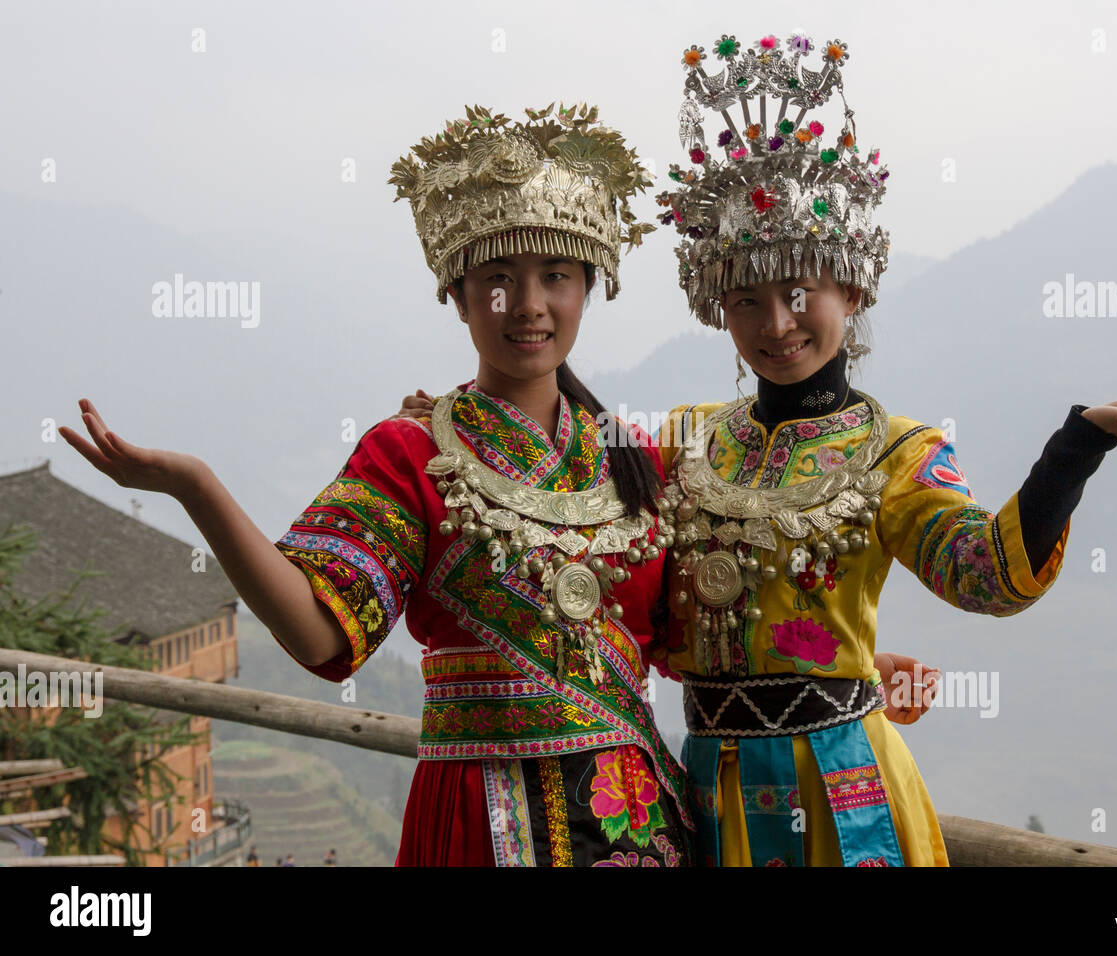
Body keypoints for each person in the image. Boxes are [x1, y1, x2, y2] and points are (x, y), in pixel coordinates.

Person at [637, 31, 1117, 867]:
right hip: (707, 788)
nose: (776, 325)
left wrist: (1078, 443)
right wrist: (460, 415)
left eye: (800, 292)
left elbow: (985, 575)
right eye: (746, 300)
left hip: (842, 792)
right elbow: (576, 519)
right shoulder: (682, 439)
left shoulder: (897, 453)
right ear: (718, 310)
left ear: (853, 286)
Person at [59, 103, 693, 866]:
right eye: (497, 280)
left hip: (638, 819)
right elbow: (321, 632)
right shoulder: (408, 454)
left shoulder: (635, 459)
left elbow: (696, 646)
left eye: (554, 276)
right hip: (478, 825)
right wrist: (195, 486)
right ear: (457, 298)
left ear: (588, 287)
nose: (526, 305)